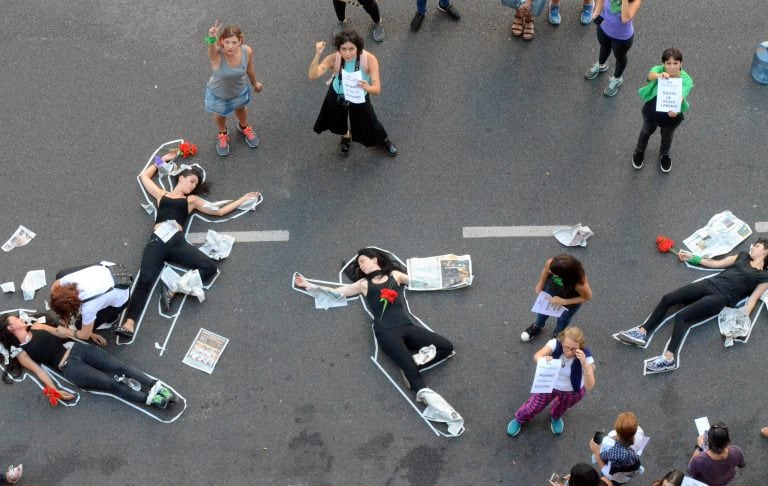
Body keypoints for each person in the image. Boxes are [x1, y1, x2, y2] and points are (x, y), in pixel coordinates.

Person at [114, 153, 260, 338]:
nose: (192, 186)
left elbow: (219, 211)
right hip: (157, 241)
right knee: (145, 278)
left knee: (209, 267)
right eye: (191, 181)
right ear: (181, 178)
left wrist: (241, 199)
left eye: (195, 184)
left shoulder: (191, 201)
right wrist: (164, 158)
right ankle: (129, 323)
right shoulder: (162, 195)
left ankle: (174, 286)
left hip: (176, 242)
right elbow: (144, 176)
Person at [294, 248, 454, 392]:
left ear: (374, 259)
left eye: (363, 261)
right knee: (417, 383)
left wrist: (450, 278)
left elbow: (417, 281)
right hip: (386, 333)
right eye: (359, 264)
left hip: (407, 326)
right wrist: (309, 285)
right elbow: (336, 293)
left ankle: (411, 363)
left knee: (445, 346)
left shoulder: (395, 275)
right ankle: (440, 408)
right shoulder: (363, 284)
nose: (361, 266)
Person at [617, 238, 768, 373]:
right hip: (709, 284)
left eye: (757, 246)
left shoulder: (764, 276)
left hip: (720, 298)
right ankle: (642, 332)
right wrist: (693, 258)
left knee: (682, 316)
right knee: (668, 298)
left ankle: (668, 359)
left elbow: (753, 298)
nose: (752, 247)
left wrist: (741, 322)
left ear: (766, 251)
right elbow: (715, 264)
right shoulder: (741, 256)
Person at [1, 315, 176, 408]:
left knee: (118, 366)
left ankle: (158, 387)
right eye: (15, 319)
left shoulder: (38, 327)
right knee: (110, 383)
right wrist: (55, 391)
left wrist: (87, 333)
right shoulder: (21, 352)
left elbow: (61, 332)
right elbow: (39, 371)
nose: (19, 318)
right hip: (70, 368)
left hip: (78, 350)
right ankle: (151, 400)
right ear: (11, 328)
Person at [309, 30, 397, 158]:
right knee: (338, 120)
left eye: (351, 49)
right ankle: (346, 137)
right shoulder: (334, 59)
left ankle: (383, 139)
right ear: (339, 48)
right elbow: (313, 75)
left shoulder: (369, 59)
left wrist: (367, 88)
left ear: (358, 47)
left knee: (370, 120)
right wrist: (317, 54)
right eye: (343, 49)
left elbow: (377, 89)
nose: (347, 53)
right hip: (338, 95)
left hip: (359, 95)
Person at [507, 326, 596, 436]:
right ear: (562, 341)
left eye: (573, 349)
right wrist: (543, 359)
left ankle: (555, 416)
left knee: (562, 407)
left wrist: (585, 366)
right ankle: (519, 419)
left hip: (572, 391)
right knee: (534, 406)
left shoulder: (586, 356)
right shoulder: (555, 344)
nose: (568, 351)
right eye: (566, 347)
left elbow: (590, 385)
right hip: (548, 384)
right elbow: (537, 356)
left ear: (580, 346)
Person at [205, 21, 264, 156]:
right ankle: (222, 133)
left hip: (239, 90)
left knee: (241, 109)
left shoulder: (246, 51)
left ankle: (244, 126)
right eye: (227, 42)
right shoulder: (217, 55)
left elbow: (249, 68)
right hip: (219, 94)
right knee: (220, 114)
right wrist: (211, 37)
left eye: (234, 42)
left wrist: (255, 83)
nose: (230, 46)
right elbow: (211, 49)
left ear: (240, 42)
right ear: (222, 42)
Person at [632, 48, 694, 173]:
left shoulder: (687, 80)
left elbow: (681, 95)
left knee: (667, 136)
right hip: (651, 110)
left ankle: (664, 154)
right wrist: (658, 76)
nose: (672, 67)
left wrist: (675, 107)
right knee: (646, 131)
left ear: (681, 64)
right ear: (663, 64)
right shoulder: (659, 70)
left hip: (672, 115)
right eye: (668, 63)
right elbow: (650, 76)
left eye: (675, 63)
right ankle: (639, 150)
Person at [49, 262, 132, 347]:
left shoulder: (88, 307)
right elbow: (55, 286)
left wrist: (64, 330)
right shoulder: (70, 281)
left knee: (79, 326)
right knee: (61, 275)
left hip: (121, 296)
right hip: (110, 269)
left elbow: (85, 335)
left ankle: (112, 318)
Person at [521, 254, 592, 342]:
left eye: (555, 274)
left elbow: (587, 297)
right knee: (542, 311)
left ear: (566, 276)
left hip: (570, 298)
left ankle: (559, 333)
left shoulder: (580, 284)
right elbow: (546, 271)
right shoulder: (551, 263)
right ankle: (538, 326)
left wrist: (564, 301)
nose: (551, 272)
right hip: (552, 289)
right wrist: (540, 285)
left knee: (563, 318)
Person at [583, 0, 643, 97]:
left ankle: (617, 79)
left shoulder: (636, 1)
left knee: (620, 57)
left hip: (622, 37)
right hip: (603, 27)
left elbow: (625, 18)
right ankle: (601, 65)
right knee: (604, 47)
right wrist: (596, 12)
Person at [589, 412, 643, 484]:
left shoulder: (610, 444)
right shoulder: (640, 432)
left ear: (616, 427)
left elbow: (608, 474)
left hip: (615, 476)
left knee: (607, 480)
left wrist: (596, 452)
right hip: (627, 473)